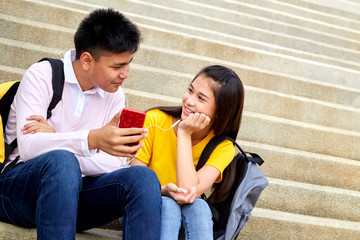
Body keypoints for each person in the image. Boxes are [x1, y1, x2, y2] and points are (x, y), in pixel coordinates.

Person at [0, 8, 161, 240]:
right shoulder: (42, 75)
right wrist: (92, 141)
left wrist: (56, 137)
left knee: (143, 177)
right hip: (18, 193)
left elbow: (113, 164)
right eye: (117, 66)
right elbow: (28, 148)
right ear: (87, 60)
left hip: (72, 200)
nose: (125, 74)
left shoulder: (114, 95)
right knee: (61, 162)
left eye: (128, 64)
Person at [130, 65, 245, 239]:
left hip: (186, 220)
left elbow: (188, 190)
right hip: (144, 210)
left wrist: (184, 133)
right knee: (168, 205)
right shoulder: (155, 120)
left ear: (220, 113)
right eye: (190, 90)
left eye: (201, 98)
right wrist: (165, 191)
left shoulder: (223, 147)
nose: (189, 100)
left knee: (199, 206)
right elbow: (134, 183)